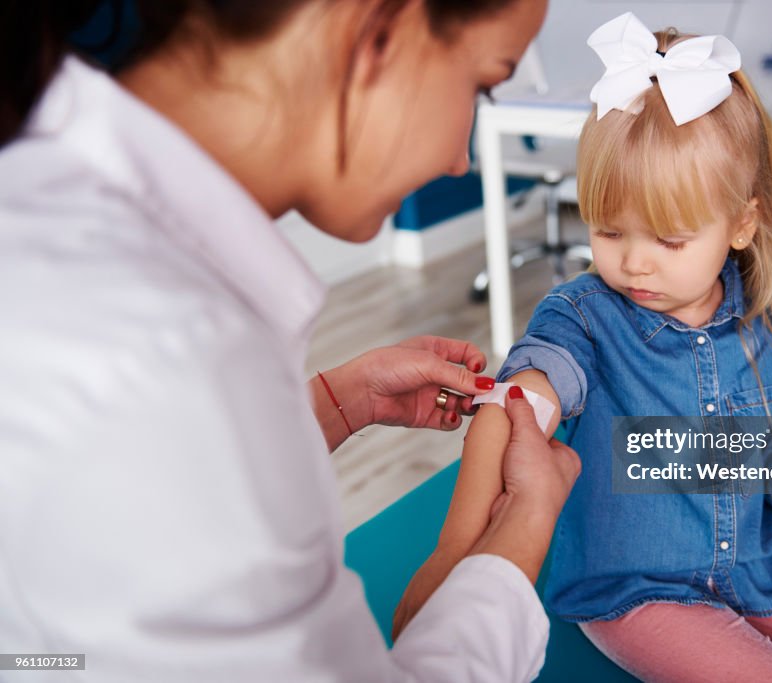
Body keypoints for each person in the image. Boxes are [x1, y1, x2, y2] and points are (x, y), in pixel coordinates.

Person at [0, 1, 582, 681]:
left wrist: (338, 402)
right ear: (379, 32)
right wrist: (523, 531)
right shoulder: (164, 361)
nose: (461, 159)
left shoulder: (50, 208)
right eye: (482, 85)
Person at [394, 13, 772, 683]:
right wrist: (451, 557)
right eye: (610, 231)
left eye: (669, 241)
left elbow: (764, 446)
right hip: (637, 589)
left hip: (760, 560)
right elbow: (511, 409)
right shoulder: (583, 318)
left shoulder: (767, 327)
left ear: (741, 223)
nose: (636, 264)